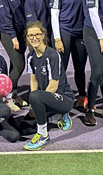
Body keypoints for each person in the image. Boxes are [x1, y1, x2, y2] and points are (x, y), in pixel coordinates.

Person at [23, 22, 74, 151]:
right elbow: (33, 81)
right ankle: (57, 115)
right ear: (27, 38)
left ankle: (43, 135)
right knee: (24, 128)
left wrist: (38, 101)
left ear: (43, 35)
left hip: (64, 98)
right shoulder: (30, 57)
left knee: (35, 97)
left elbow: (53, 85)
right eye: (31, 35)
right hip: (47, 96)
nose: (34, 38)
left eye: (37, 34)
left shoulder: (51, 55)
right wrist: (33, 106)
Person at [50, 0, 89, 110]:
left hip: (80, 35)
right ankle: (60, 97)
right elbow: (54, 14)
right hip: (64, 33)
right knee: (61, 69)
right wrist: (57, 38)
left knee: (80, 68)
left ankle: (81, 97)